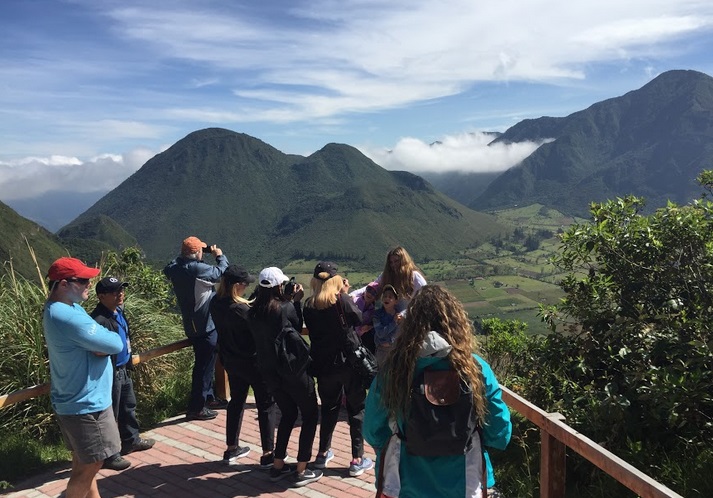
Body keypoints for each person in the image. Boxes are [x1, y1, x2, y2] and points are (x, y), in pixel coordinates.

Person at [364, 285, 512, 498]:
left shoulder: (395, 371)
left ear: (411, 324)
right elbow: (500, 433)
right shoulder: (476, 369)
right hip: (465, 483)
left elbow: (372, 429)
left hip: (403, 483)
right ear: (455, 322)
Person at [43, 257, 124, 498]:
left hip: (74, 399)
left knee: (83, 461)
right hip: (86, 403)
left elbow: (101, 342)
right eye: (84, 280)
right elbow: (114, 343)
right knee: (92, 464)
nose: (91, 283)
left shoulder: (68, 307)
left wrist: (96, 343)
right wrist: (98, 343)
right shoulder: (66, 315)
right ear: (64, 284)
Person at [247, 267, 322, 487]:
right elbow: (296, 328)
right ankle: (301, 469)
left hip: (270, 374)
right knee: (309, 415)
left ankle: (278, 465)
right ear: (280, 286)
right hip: (293, 372)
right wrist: (296, 301)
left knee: (288, 414)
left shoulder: (252, 312)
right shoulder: (285, 308)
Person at [303, 262, 374, 477]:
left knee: (328, 408)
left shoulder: (308, 305)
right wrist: (344, 292)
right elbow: (358, 318)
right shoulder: (342, 300)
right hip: (348, 364)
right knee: (356, 409)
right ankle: (357, 458)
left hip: (323, 366)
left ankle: (322, 453)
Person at [209, 265, 277, 467]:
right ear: (237, 285)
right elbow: (261, 330)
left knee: (236, 401)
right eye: (245, 283)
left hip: (231, 361)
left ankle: (231, 448)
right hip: (253, 362)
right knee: (266, 405)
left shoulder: (216, 303)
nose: (247, 286)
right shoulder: (241, 309)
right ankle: (268, 454)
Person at [90, 276, 155, 472]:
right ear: (101, 296)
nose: (120, 294)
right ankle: (110, 455)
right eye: (115, 291)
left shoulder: (118, 311)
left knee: (128, 406)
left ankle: (131, 440)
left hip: (123, 368)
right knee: (110, 414)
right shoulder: (99, 320)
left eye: (121, 289)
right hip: (110, 372)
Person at [163, 236, 229, 421]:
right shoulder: (197, 269)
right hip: (205, 325)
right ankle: (197, 408)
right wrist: (219, 255)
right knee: (203, 367)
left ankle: (208, 398)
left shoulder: (175, 268)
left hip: (191, 324)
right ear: (197, 252)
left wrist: (184, 256)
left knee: (204, 364)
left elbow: (168, 267)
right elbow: (222, 272)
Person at [353, 246, 427, 312]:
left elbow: (424, 300)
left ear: (403, 261)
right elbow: (373, 286)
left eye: (396, 261)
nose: (393, 265)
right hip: (392, 317)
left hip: (410, 318)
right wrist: (353, 295)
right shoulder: (387, 275)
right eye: (391, 262)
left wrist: (404, 314)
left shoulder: (414, 277)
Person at [372, 284, 403, 367]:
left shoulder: (400, 315)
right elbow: (380, 333)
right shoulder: (377, 315)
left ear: (396, 301)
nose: (387, 298)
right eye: (385, 296)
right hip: (382, 352)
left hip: (395, 351)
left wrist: (390, 342)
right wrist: (394, 323)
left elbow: (400, 333)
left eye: (390, 297)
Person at [350, 281, 379, 354]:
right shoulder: (354, 301)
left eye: (373, 293)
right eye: (369, 290)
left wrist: (369, 327)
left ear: (375, 297)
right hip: (350, 337)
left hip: (360, 338)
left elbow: (373, 323)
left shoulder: (373, 310)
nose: (370, 294)